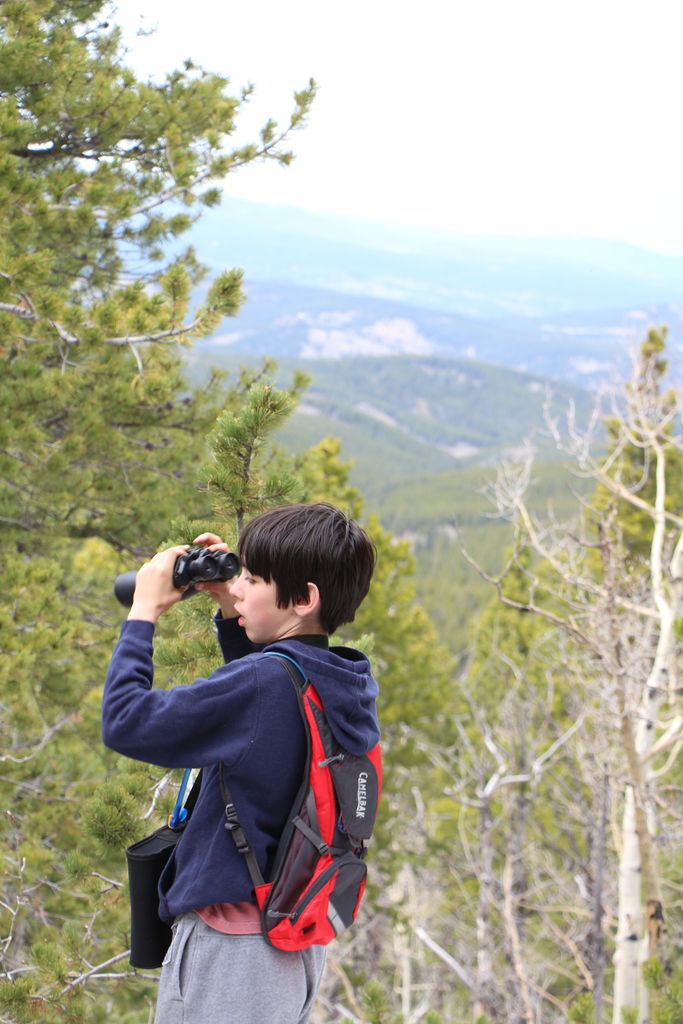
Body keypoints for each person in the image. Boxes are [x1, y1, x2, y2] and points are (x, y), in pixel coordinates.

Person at [102, 502, 379, 1024]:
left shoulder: (265, 686)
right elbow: (265, 725)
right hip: (288, 945)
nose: (241, 586)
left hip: (232, 953)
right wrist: (235, 609)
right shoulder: (337, 679)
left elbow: (125, 721)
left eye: (252, 578)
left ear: (303, 599)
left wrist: (143, 612)